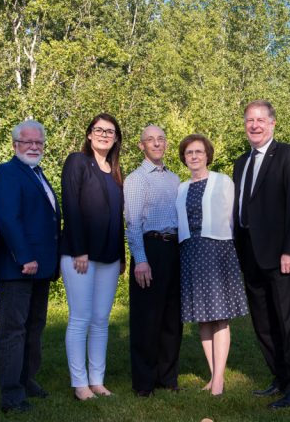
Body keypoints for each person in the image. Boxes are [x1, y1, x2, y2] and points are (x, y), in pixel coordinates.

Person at [232, 100, 290, 409]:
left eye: (260, 119)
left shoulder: (288, 156)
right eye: (250, 120)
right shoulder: (241, 162)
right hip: (250, 254)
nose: (255, 125)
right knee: (263, 323)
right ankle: (280, 377)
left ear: (273, 123)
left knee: (289, 323)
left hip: (281, 256)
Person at [0, 120, 60, 414]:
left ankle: (27, 379)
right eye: (28, 142)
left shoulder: (37, 173)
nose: (34, 146)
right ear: (15, 144)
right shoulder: (7, 173)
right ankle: (11, 396)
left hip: (41, 267)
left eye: (39, 142)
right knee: (14, 330)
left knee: (35, 326)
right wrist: (25, 256)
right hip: (19, 267)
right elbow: (8, 218)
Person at [175, 134, 249, 396]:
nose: (194, 156)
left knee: (219, 316)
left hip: (217, 250)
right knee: (202, 318)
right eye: (189, 153)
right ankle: (212, 374)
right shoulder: (181, 188)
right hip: (190, 251)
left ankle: (219, 379)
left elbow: (234, 217)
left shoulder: (222, 181)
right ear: (184, 158)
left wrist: (235, 253)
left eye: (199, 152)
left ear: (208, 155)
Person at [60, 113, 126, 400]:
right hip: (80, 255)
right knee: (81, 317)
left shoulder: (114, 171)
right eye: (98, 130)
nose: (104, 135)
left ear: (116, 138)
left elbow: (118, 218)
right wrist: (79, 249)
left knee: (101, 319)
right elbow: (70, 205)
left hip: (109, 257)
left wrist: (121, 256)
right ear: (89, 134)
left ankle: (97, 380)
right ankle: (80, 384)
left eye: (110, 131)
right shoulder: (77, 161)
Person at [124, 125, 182, 396]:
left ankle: (167, 377)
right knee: (147, 317)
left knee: (172, 317)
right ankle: (144, 383)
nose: (157, 143)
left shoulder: (174, 179)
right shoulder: (136, 179)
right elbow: (133, 223)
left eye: (161, 139)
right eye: (150, 140)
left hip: (174, 250)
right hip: (151, 249)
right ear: (141, 146)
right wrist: (141, 260)